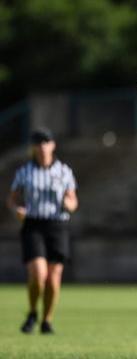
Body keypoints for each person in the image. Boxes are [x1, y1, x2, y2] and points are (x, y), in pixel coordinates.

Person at [7, 128, 78, 335]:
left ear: (52, 145)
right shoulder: (24, 172)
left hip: (57, 226)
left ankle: (47, 319)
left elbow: (73, 200)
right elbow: (11, 199)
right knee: (38, 275)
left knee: (53, 279)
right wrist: (16, 210)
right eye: (38, 143)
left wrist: (69, 204)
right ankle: (31, 312)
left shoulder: (64, 171)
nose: (43, 147)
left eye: (46, 143)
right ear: (34, 148)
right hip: (33, 225)